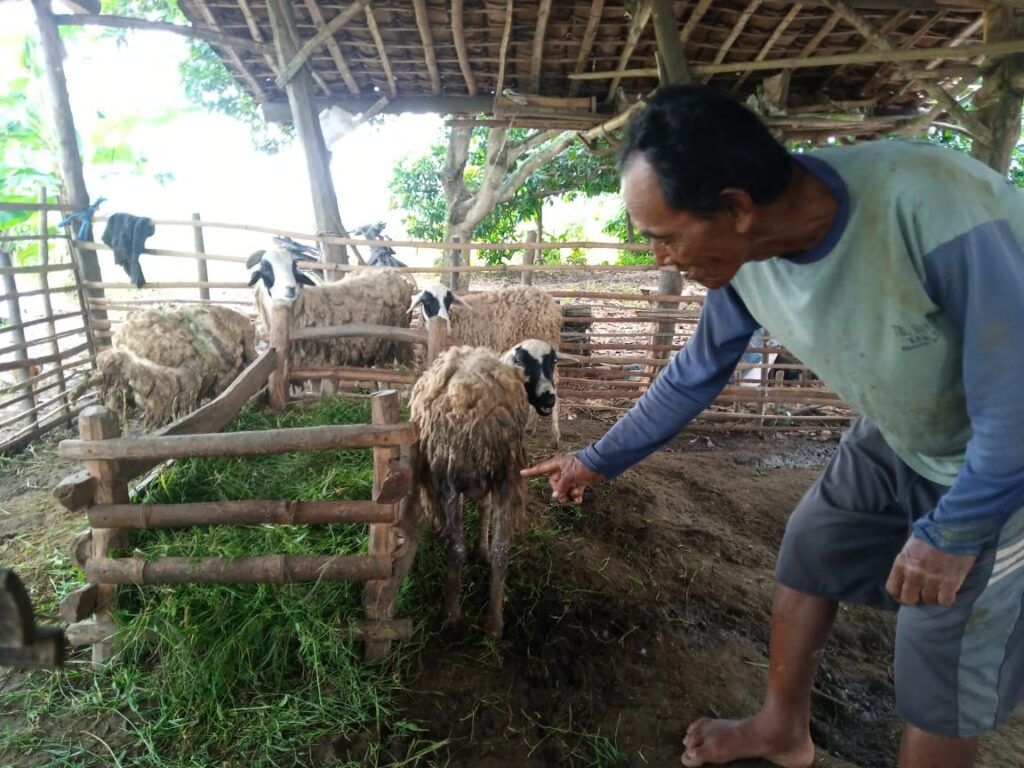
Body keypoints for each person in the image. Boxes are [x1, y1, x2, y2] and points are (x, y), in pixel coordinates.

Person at [522, 84, 1024, 768]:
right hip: (908, 428)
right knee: (813, 545)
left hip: (1007, 451)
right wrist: (596, 460)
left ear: (734, 206)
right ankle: (780, 728)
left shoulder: (932, 207)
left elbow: (1016, 402)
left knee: (939, 648)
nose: (659, 260)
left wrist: (956, 532)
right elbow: (696, 373)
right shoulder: (742, 260)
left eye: (665, 239)